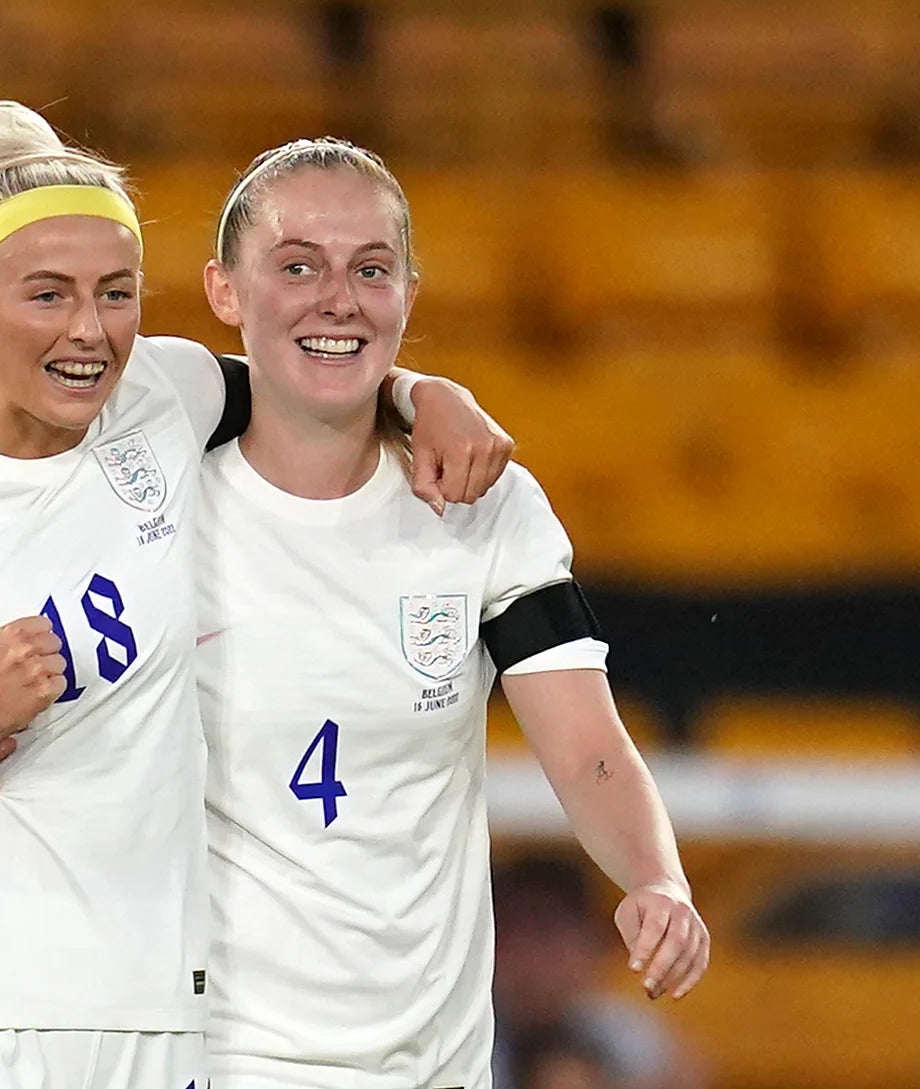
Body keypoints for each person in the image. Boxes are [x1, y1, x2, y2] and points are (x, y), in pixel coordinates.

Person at [0, 99, 513, 1088]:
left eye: (116, 293)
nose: (91, 332)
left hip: (159, 1016)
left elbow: (314, 382)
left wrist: (429, 395)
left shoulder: (161, 396)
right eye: (48, 296)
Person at [190, 138, 710, 1089]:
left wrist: (656, 878)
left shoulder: (489, 507)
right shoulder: (156, 502)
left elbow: (589, 745)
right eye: (297, 265)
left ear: (409, 295)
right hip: (216, 1055)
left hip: (434, 1065)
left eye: (371, 269)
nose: (337, 297)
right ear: (225, 291)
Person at [492, 854, 706, 1089]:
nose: (531, 959)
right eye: (514, 936)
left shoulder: (622, 1028)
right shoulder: (464, 1029)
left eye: (547, 936)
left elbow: (684, 1075)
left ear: (590, 942)